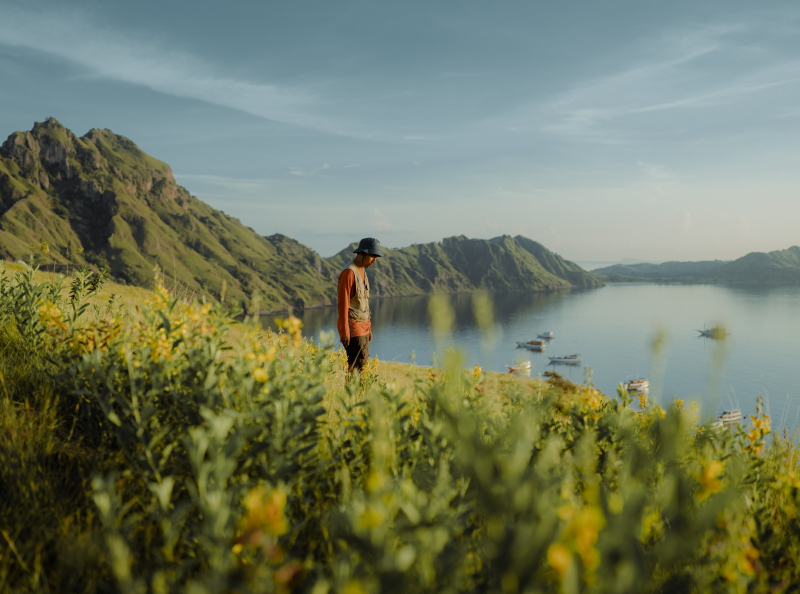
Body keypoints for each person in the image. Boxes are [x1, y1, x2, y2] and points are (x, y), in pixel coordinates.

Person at [337, 237, 384, 373]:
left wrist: (368, 328)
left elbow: (363, 304)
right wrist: (345, 331)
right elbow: (343, 304)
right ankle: (354, 394)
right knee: (358, 368)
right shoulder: (349, 273)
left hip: (362, 326)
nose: (374, 261)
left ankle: (357, 394)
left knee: (361, 367)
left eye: (376, 257)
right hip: (353, 328)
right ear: (362, 254)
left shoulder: (362, 270)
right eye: (372, 257)